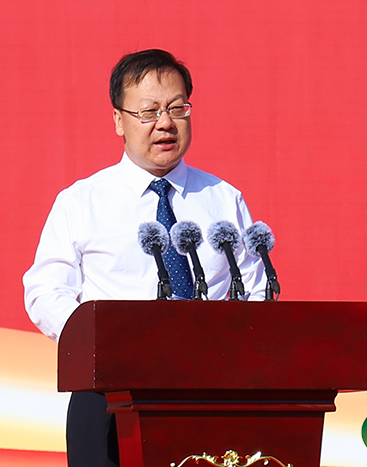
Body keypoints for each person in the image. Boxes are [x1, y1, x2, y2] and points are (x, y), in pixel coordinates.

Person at [23, 49, 266, 467]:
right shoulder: (82, 201)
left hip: (210, 391)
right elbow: (44, 291)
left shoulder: (224, 200)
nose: (165, 123)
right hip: (108, 393)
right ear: (119, 120)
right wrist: (100, 343)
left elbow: (254, 291)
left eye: (177, 108)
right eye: (148, 112)